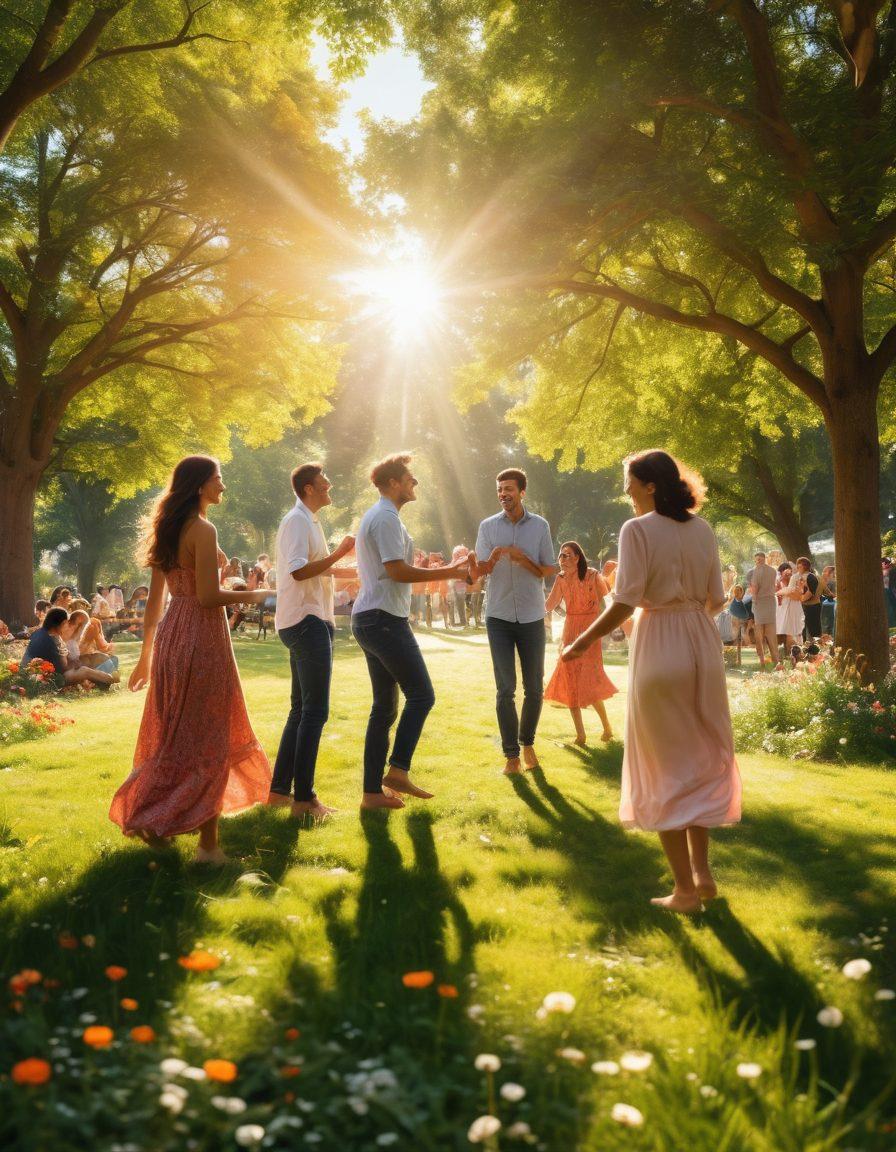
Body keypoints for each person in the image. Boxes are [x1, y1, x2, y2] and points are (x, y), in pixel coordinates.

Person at [561, 450, 741, 914]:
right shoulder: (702, 529)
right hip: (702, 643)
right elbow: (716, 599)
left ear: (651, 485)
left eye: (629, 480)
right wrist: (688, 617)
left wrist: (581, 641)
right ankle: (702, 873)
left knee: (662, 765)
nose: (625, 489)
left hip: (661, 642)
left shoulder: (636, 529)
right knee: (699, 756)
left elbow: (625, 601)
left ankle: (685, 891)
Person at [109, 456, 272, 864]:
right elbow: (208, 597)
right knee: (210, 735)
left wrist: (146, 655)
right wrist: (258, 595)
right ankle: (208, 848)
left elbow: (155, 602)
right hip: (202, 634)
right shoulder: (202, 529)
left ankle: (155, 817)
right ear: (200, 485)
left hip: (172, 636)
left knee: (177, 736)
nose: (223, 486)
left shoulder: (170, 528)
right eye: (218, 479)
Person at [351, 453, 468, 811]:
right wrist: (451, 571)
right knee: (421, 695)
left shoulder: (384, 516)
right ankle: (398, 770)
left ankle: (372, 794)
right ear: (392, 483)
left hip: (373, 617)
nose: (414, 482)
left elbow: (394, 571)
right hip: (383, 619)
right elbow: (398, 571)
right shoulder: (385, 517)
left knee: (384, 710)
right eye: (409, 478)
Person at [269, 462, 356, 820]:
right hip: (306, 622)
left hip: (309, 619)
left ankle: (279, 792)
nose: (329, 484)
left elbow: (318, 568)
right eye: (324, 481)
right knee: (315, 712)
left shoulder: (310, 521)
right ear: (308, 488)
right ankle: (304, 800)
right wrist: (339, 552)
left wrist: (357, 569)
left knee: (301, 710)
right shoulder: (297, 521)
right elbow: (298, 570)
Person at [470, 468, 556, 775]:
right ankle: (511, 756)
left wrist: (523, 560)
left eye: (508, 489)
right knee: (505, 688)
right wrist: (492, 559)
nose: (503, 494)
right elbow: (478, 571)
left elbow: (548, 569)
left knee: (534, 687)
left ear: (521, 491)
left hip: (532, 615)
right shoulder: (488, 526)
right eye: (499, 490)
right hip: (499, 616)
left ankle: (527, 742)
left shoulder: (540, 526)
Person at [544, 541, 617, 744]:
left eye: (567, 555)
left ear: (577, 558)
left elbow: (609, 601)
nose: (562, 559)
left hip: (590, 631)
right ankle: (580, 734)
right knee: (570, 680)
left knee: (589, 681)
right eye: (561, 555)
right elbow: (549, 604)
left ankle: (607, 727)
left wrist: (614, 626)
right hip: (570, 631)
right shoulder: (560, 579)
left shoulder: (592, 575)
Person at [22, 607, 117, 688]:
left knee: (90, 660)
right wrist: (75, 665)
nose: (67, 626)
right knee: (84, 670)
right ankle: (111, 680)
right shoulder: (49, 639)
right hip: (47, 678)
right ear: (61, 623)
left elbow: (63, 658)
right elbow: (63, 668)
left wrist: (75, 662)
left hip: (41, 673)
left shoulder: (43, 632)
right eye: (66, 623)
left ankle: (106, 681)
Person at [747, 552, 779, 670]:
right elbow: (774, 586)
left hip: (760, 602)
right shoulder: (773, 570)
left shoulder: (754, 571)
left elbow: (754, 588)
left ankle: (762, 662)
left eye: (758, 559)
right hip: (770, 601)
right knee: (771, 633)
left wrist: (754, 602)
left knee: (759, 634)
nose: (758, 561)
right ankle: (776, 661)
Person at [775, 562, 804, 656]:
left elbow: (799, 597)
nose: (789, 576)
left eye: (790, 574)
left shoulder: (795, 585)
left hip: (794, 612)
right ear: (781, 573)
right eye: (786, 574)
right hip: (782, 613)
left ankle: (795, 656)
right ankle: (785, 656)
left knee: (794, 635)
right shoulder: (778, 584)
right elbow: (780, 595)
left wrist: (792, 592)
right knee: (785, 636)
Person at [796, 556, 822, 640]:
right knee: (803, 629)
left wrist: (801, 599)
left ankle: (817, 646)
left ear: (805, 566)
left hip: (812, 606)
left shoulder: (811, 577)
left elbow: (810, 592)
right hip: (805, 606)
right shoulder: (802, 577)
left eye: (799, 566)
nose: (797, 568)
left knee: (814, 630)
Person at [819, 564, 837, 636]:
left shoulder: (831, 582)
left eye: (825, 571)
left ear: (831, 573)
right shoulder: (829, 582)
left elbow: (833, 594)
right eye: (823, 571)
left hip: (829, 606)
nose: (823, 573)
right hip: (828, 606)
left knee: (827, 625)